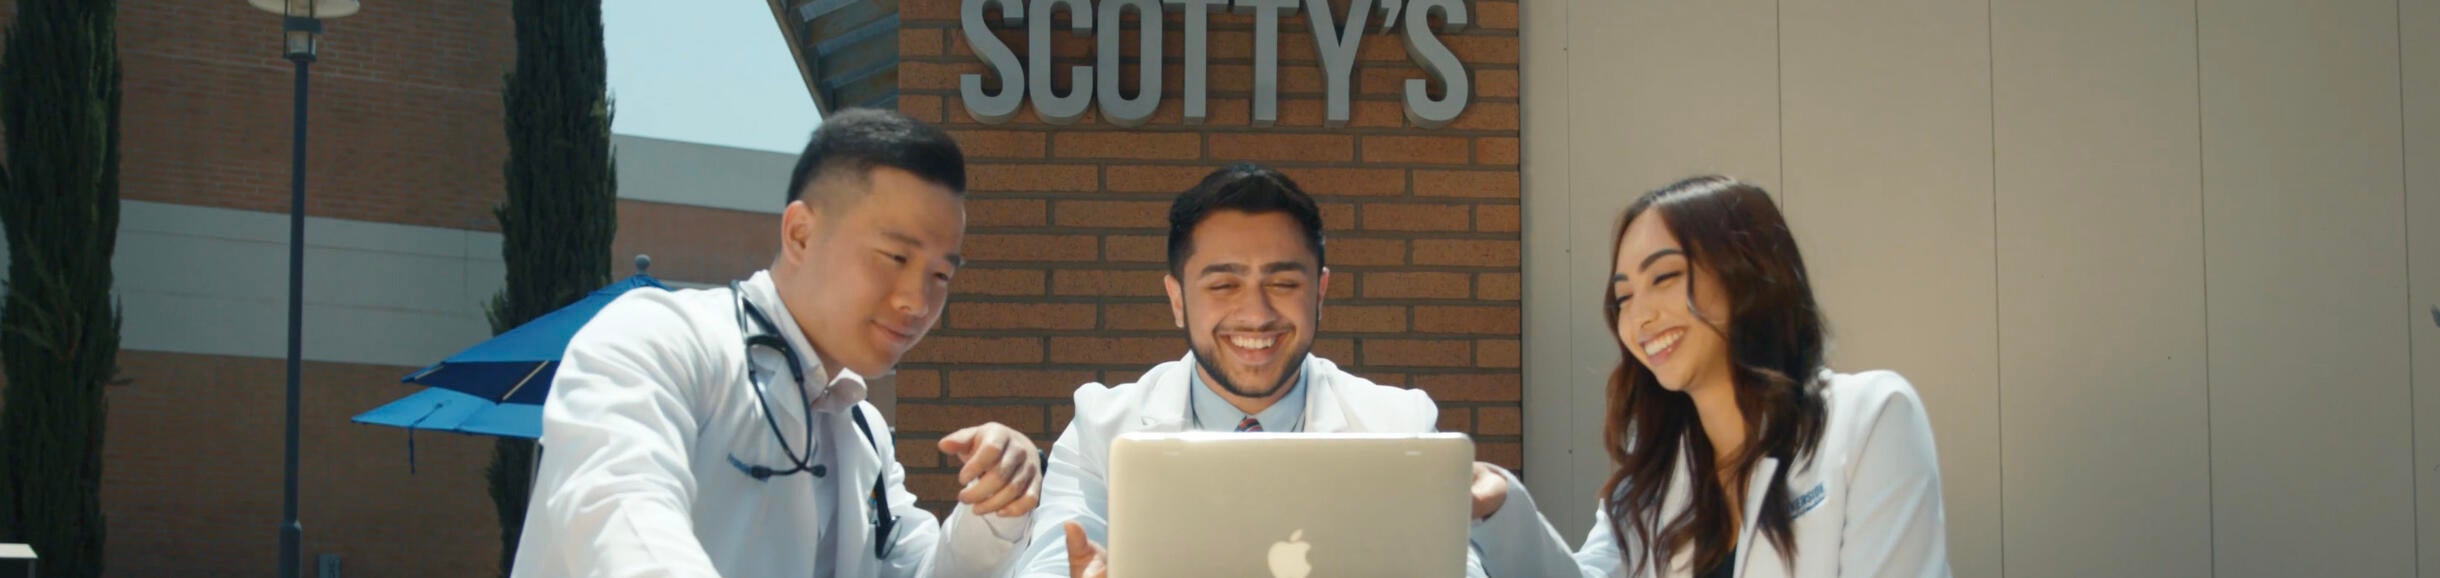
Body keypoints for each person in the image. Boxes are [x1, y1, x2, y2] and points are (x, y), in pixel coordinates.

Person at [511, 109, 1043, 578]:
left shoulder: (863, 432)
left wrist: (995, 508)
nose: (917, 300)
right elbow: (616, 513)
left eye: (941, 276)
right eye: (895, 258)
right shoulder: (658, 340)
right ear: (801, 235)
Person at [1466, 176, 1949, 578]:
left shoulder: (1871, 418)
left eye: (1665, 278)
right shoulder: (1651, 477)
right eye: (1624, 297)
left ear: (1748, 275)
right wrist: (1500, 507)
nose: (1640, 317)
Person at [1004, 163, 1463, 578]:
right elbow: (1050, 562)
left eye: (1283, 283)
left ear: (1320, 292)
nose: (1256, 314)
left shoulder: (1402, 426)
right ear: (1178, 299)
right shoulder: (1101, 426)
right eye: (1224, 285)